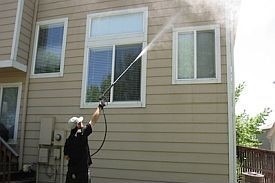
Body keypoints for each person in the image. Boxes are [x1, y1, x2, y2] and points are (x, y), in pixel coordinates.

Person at [64, 100, 105, 183]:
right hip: (82, 173)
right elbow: (93, 120)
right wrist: (100, 107)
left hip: (71, 173)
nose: (82, 123)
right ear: (78, 125)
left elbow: (66, 157)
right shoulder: (82, 133)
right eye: (80, 122)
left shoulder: (68, 140)